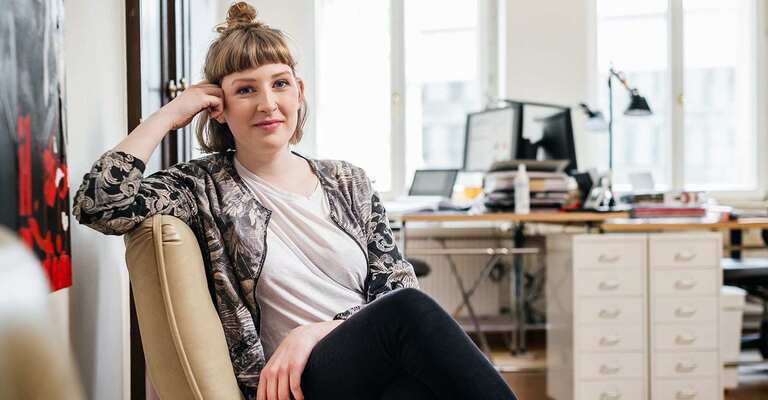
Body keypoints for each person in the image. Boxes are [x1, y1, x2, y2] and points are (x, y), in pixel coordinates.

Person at [73, 2, 517, 400]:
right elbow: (98, 204)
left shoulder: (349, 181)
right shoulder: (201, 187)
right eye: (246, 90)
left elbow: (396, 285)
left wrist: (314, 332)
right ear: (218, 107)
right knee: (412, 314)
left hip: (362, 361)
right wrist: (169, 114)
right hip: (290, 384)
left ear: (299, 92)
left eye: (279, 84)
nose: (268, 104)